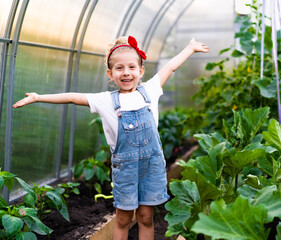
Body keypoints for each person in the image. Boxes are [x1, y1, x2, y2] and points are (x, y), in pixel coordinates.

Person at [13, 35, 209, 240]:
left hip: (152, 166)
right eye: (119, 68)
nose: (126, 73)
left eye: (132, 67)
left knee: (145, 217)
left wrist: (190, 48)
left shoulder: (150, 90)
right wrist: (38, 97)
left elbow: (170, 67)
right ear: (110, 73)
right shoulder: (105, 100)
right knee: (123, 219)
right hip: (126, 170)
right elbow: (72, 97)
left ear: (141, 70)